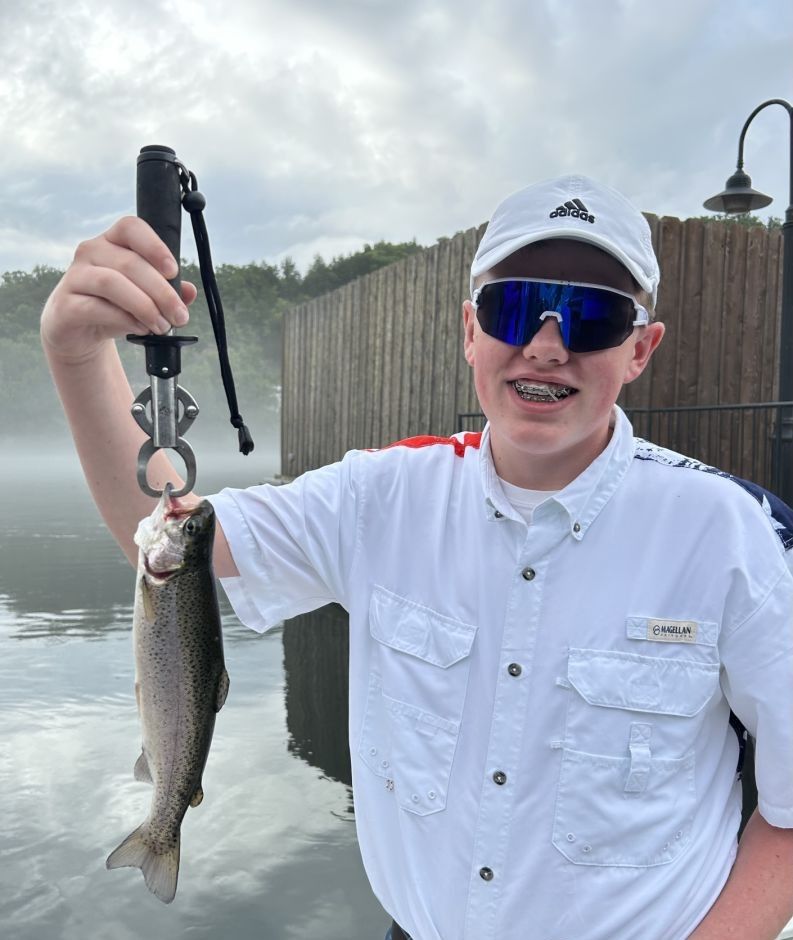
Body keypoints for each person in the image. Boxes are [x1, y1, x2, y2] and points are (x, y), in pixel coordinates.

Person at [41, 174, 793, 940]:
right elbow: (164, 535)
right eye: (512, 308)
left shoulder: (731, 536)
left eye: (592, 317)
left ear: (639, 348)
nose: (546, 345)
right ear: (471, 330)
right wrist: (74, 353)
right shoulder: (379, 498)